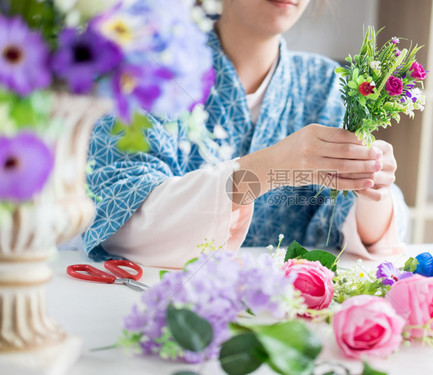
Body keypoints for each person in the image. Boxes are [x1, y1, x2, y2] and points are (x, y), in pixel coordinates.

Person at [83, 0, 409, 268]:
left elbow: (346, 234)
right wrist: (265, 168)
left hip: (289, 317)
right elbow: (118, 215)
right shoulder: (148, 71)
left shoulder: (329, 85)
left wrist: (372, 187)